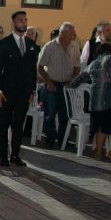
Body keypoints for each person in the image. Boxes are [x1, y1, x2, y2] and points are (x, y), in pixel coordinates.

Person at [70, 43, 111, 162]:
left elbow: (79, 79)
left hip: (97, 102)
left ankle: (98, 152)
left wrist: (69, 85)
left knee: (101, 127)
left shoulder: (93, 63)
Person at [0, 10, 38, 167]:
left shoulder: (31, 45)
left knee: (18, 124)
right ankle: (3, 156)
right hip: (7, 91)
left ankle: (15, 155)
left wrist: (32, 90)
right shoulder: (4, 43)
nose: (23, 22)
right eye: (20, 20)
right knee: (4, 123)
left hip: (24, 92)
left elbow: (33, 70)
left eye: (25, 20)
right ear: (13, 23)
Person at [37, 22, 81, 150]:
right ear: (62, 34)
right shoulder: (50, 46)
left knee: (65, 114)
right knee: (50, 114)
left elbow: (77, 66)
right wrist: (49, 82)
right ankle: (50, 139)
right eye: (70, 35)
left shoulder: (74, 46)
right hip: (52, 83)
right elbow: (40, 67)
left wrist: (72, 81)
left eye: (73, 35)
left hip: (67, 85)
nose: (72, 37)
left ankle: (63, 140)